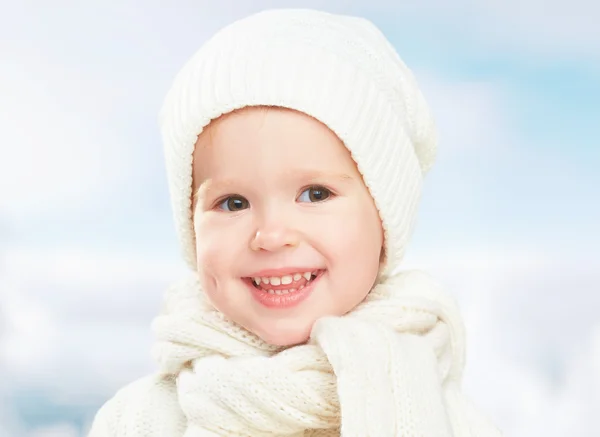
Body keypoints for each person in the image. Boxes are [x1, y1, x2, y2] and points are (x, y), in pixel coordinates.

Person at [88, 8, 503, 437]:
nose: (271, 236)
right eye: (233, 203)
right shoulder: (140, 421)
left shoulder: (439, 410)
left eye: (315, 194)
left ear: (386, 217)